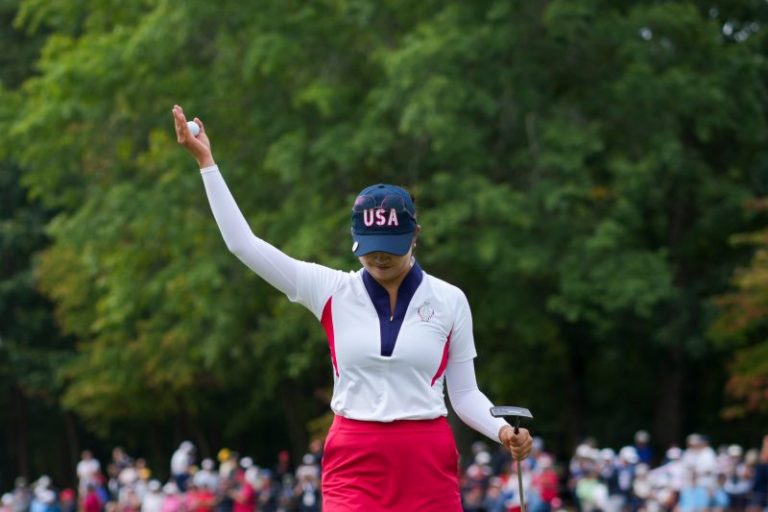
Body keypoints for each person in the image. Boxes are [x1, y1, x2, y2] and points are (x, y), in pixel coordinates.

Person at [172, 104, 533, 512]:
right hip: (354, 457)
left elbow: (464, 394)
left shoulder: (450, 300)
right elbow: (244, 244)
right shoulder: (331, 290)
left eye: (390, 251)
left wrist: (502, 430)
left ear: (414, 235)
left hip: (426, 459)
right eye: (370, 250)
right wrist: (207, 163)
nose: (379, 260)